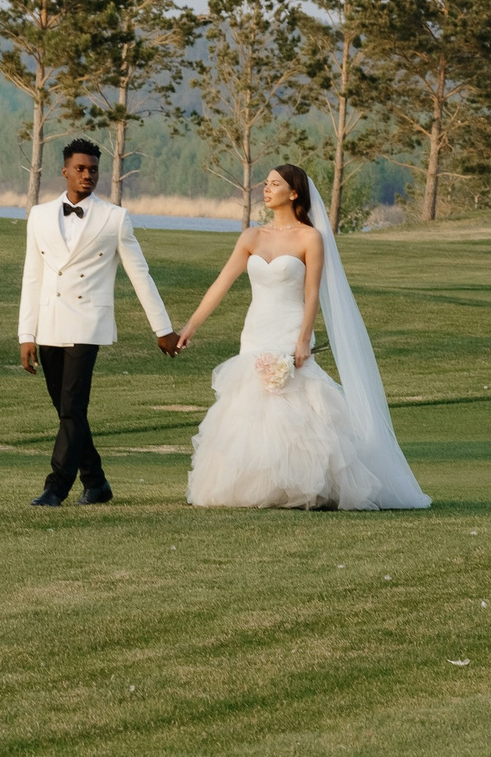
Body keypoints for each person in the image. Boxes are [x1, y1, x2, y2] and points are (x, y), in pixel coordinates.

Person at [176, 163, 430, 510]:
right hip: (255, 330)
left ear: (294, 193)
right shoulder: (251, 236)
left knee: (297, 401)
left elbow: (312, 294)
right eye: (266, 183)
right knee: (250, 405)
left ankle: (309, 485)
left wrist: (303, 339)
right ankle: (258, 485)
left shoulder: (310, 238)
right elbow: (221, 284)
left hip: (290, 326)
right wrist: (190, 327)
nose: (266, 189)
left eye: (275, 184)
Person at [18, 139, 179, 506]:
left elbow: (140, 274)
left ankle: (56, 487)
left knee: (72, 407)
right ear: (65, 171)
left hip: (88, 322)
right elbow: (32, 275)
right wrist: (26, 333)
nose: (87, 175)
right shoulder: (39, 215)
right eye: (80, 169)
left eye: (93, 169)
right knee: (67, 410)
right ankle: (96, 482)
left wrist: (163, 329)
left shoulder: (114, 218)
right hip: (49, 323)